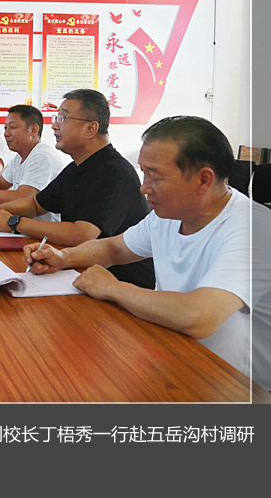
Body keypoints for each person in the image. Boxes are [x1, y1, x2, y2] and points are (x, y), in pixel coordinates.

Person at [23, 116, 271, 380]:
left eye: (155, 176)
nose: (143, 188)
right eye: (143, 172)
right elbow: (114, 248)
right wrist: (62, 257)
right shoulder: (169, 215)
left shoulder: (252, 228)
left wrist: (111, 287)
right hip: (174, 355)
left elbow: (199, 316)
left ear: (203, 180)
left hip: (235, 383)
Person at [0, 89, 154, 288]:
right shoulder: (76, 167)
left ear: (90, 128)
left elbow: (82, 234)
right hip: (79, 271)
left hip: (118, 284)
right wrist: (2, 209)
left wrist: (14, 222)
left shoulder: (114, 172)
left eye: (63, 118)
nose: (54, 125)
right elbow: (37, 204)